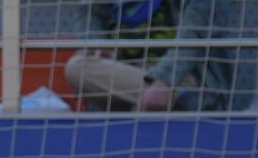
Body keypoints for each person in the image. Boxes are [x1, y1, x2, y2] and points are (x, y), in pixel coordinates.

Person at [65, 0, 242, 112]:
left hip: (180, 76)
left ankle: (174, 96)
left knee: (142, 109)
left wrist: (163, 81)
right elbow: (89, 12)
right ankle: (180, 100)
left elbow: (194, 36)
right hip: (122, 74)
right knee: (79, 67)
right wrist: (98, 45)